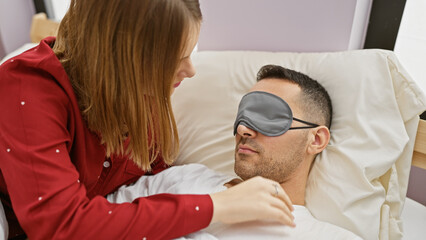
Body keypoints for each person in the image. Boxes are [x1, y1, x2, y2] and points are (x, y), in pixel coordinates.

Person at [0, 1, 294, 239]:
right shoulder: (26, 89)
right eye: (175, 58)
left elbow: (155, 178)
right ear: (122, 58)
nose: (190, 70)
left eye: (190, 53)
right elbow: (62, 226)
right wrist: (215, 206)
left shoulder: (142, 97)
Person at [108, 65, 362, 239]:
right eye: (243, 115)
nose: (243, 128)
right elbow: (97, 227)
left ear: (316, 139)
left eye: (268, 116)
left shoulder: (325, 236)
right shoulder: (184, 178)